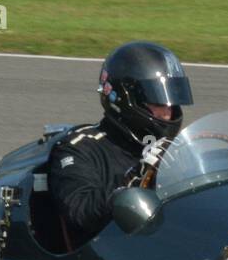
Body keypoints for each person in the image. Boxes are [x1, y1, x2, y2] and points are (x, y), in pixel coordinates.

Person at [48, 41, 193, 243]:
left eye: (172, 101)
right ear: (126, 100)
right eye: (159, 102)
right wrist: (131, 183)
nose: (168, 114)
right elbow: (80, 212)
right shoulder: (78, 149)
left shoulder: (174, 150)